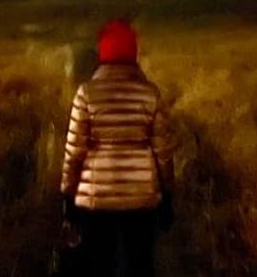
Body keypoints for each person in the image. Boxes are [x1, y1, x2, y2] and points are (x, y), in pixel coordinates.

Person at [59, 19, 176, 277]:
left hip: (95, 198)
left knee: (99, 265)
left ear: (103, 55)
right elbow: (164, 152)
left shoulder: (86, 93)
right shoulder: (150, 93)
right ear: (133, 55)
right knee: (139, 265)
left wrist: (68, 195)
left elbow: (74, 152)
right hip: (141, 197)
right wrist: (167, 194)